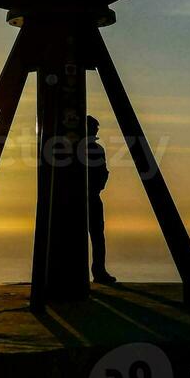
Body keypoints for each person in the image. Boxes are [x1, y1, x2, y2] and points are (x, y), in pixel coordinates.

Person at [86, 115, 116, 284]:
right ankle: (99, 271)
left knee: (97, 236)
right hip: (91, 197)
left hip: (91, 197)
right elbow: (102, 172)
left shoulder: (96, 150)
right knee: (97, 236)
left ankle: (99, 271)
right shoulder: (94, 150)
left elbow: (102, 172)